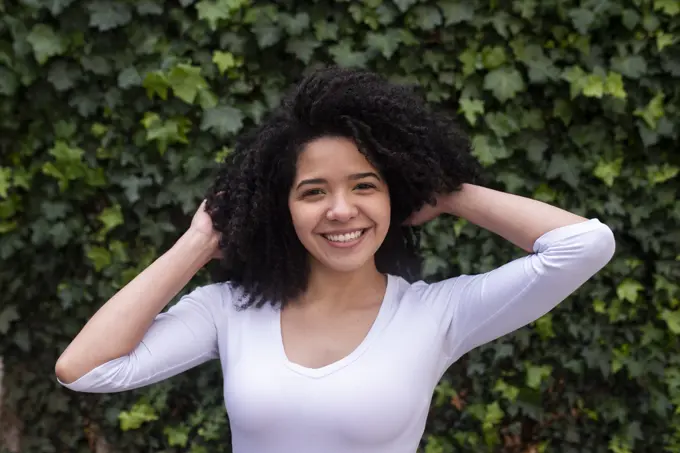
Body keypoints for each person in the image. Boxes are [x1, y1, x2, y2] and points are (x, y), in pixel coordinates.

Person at [55, 66, 616, 453]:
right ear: (285, 208)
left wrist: (446, 192)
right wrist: (200, 240)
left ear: (396, 196)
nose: (341, 210)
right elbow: (85, 369)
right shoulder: (229, 310)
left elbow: (584, 245)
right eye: (313, 191)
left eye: (365, 186)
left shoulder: (437, 314)